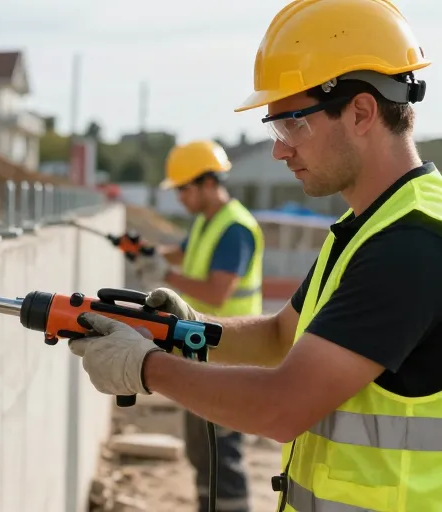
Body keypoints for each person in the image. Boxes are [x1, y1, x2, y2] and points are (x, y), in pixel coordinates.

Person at [69, 1, 442, 510]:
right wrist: (186, 329)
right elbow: (279, 337)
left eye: (293, 124)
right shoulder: (364, 229)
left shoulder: (413, 242)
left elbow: (282, 408)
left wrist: (147, 367)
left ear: (360, 112)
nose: (279, 149)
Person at [134, 139, 265, 512]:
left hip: (228, 356)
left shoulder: (234, 228)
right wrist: (148, 252)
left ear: (209, 183)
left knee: (221, 452)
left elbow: (217, 292)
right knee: (201, 449)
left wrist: (166, 273)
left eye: (184, 189)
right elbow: (183, 251)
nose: (180, 198)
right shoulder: (210, 221)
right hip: (202, 352)